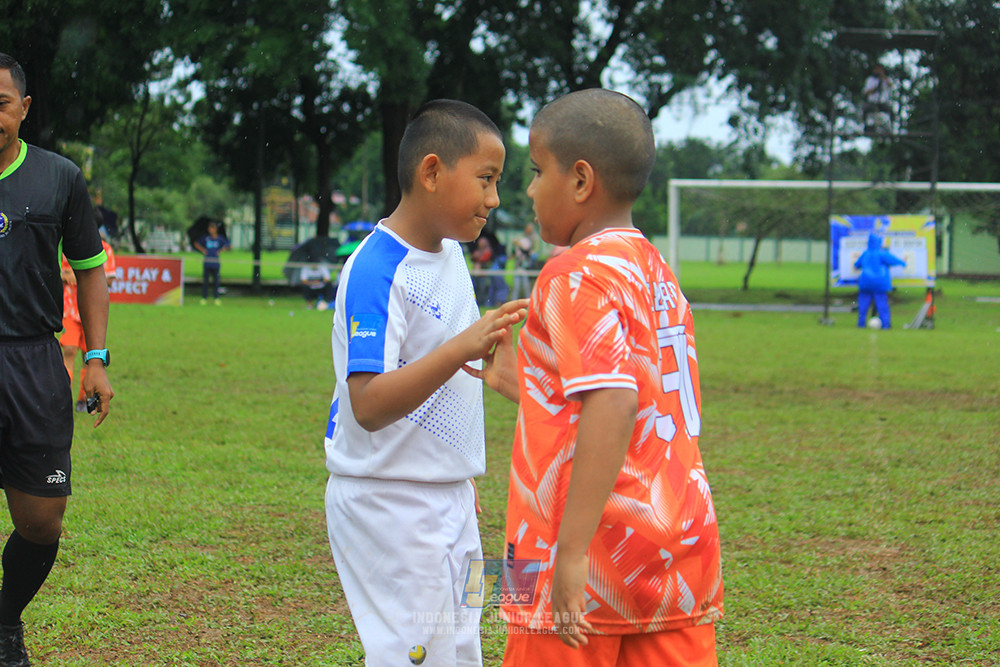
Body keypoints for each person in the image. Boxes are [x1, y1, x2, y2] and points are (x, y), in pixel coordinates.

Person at [476, 89, 724, 666]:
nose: (530, 190)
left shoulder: (573, 272)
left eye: (538, 172)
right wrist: (520, 382)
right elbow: (635, 401)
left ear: (581, 180)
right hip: (677, 547)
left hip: (581, 550)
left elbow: (613, 400)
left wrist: (570, 551)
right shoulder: (656, 271)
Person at [323, 99, 528, 667]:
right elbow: (367, 403)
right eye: (485, 179)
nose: (494, 198)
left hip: (449, 497)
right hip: (390, 502)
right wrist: (462, 346)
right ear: (432, 172)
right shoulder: (376, 268)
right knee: (415, 656)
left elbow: (450, 377)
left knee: (461, 648)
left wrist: (456, 476)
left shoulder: (453, 254)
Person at [0, 52, 114, 666]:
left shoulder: (58, 177)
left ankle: (3, 622)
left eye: (0, 104)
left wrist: (94, 357)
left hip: (33, 362)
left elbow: (90, 270)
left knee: (42, 522)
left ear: (23, 108)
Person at [60, 231, 117, 412]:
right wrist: (66, 275)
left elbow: (108, 280)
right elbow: (59, 272)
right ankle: (64, 398)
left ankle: (84, 400)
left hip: (91, 313)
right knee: (68, 351)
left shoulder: (105, 249)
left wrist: (80, 277)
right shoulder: (67, 246)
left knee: (89, 355)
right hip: (70, 311)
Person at [855, 232, 906, 329]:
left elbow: (857, 265)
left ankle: (861, 324)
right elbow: (894, 260)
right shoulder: (882, 253)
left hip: (865, 282)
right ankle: (886, 324)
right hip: (880, 283)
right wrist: (903, 263)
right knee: (882, 304)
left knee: (863, 305)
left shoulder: (865, 253)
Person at [193, 220, 229, 305]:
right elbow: (196, 243)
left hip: (215, 263)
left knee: (216, 281)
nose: (211, 230)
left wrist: (220, 251)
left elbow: (228, 245)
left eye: (212, 228)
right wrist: (203, 250)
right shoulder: (206, 238)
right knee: (206, 281)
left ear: (215, 229)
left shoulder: (219, 238)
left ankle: (216, 298)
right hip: (207, 262)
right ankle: (204, 298)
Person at [510, 222, 538, 300]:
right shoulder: (521, 237)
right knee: (516, 287)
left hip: (526, 267)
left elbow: (527, 250)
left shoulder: (532, 239)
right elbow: (514, 252)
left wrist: (519, 244)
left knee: (526, 287)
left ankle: (529, 302)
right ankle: (513, 302)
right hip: (518, 266)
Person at [862, 64, 891, 133]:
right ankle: (866, 128)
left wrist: (883, 77)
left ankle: (890, 129)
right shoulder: (870, 79)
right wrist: (875, 89)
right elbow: (866, 92)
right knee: (866, 110)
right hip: (872, 102)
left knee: (890, 111)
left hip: (882, 102)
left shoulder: (885, 79)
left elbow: (891, 85)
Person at [470, 234, 493, 306]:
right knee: (475, 289)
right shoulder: (478, 250)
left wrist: (478, 256)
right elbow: (472, 258)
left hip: (484, 274)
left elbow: (484, 259)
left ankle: (482, 303)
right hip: (476, 274)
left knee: (482, 289)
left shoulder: (488, 251)